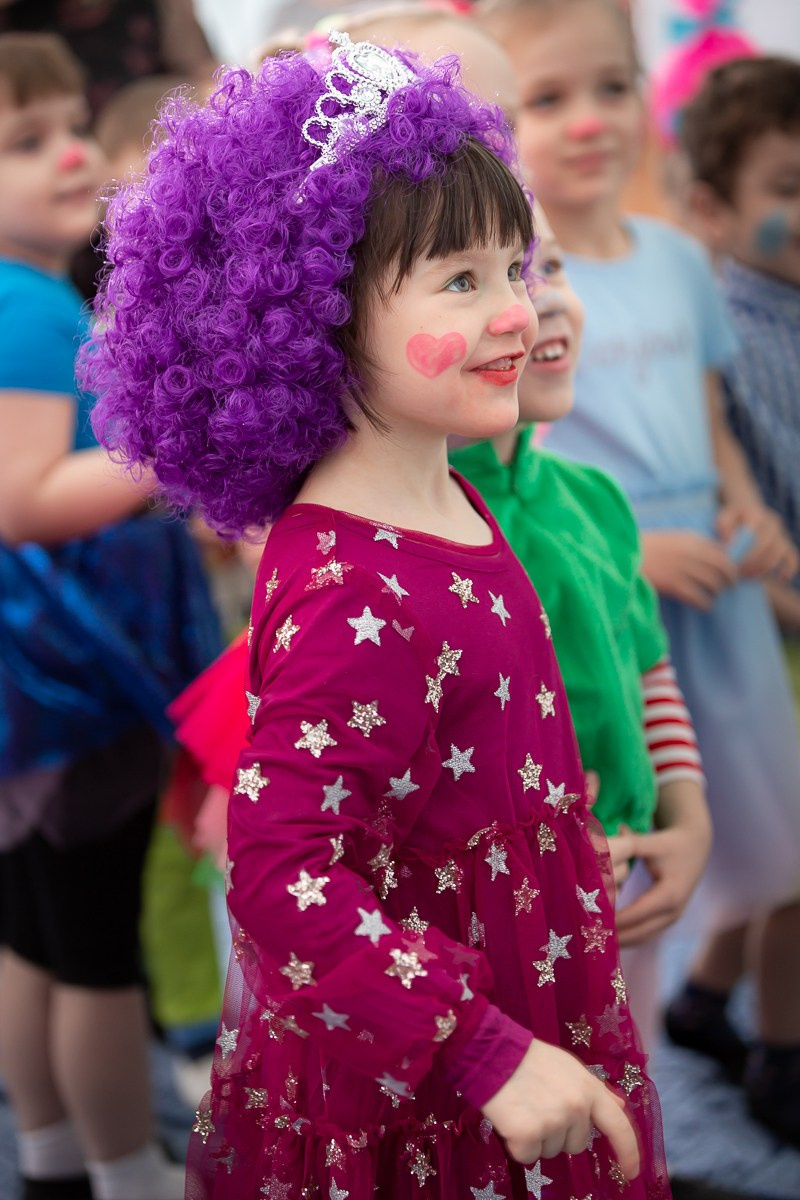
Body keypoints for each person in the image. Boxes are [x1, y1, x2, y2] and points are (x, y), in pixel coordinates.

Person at [80, 30, 670, 1198]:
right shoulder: (354, 581)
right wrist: (486, 1057)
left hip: (528, 985)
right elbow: (278, 867)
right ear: (313, 315)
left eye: (516, 268)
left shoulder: (448, 487)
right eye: (462, 281)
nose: (517, 312)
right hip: (431, 1096)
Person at [480, 0, 800, 1148]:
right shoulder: (518, 273)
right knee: (631, 855)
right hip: (611, 589)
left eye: (610, 87)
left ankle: (747, 1031)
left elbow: (710, 418)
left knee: (764, 822)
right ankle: (651, 1070)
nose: (586, 121)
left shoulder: (674, 256)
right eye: (546, 97)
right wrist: (639, 550)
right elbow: (529, 454)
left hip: (712, 592)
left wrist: (745, 508)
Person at [0, 32, 220, 1200]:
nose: (72, 151)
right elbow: (27, 505)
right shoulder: (31, 313)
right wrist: (172, 447)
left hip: (38, 688)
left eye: (68, 124)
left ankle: (46, 1156)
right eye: (23, 143)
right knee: (92, 955)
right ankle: (126, 1171)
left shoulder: (24, 298)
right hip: (77, 682)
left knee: (31, 931)